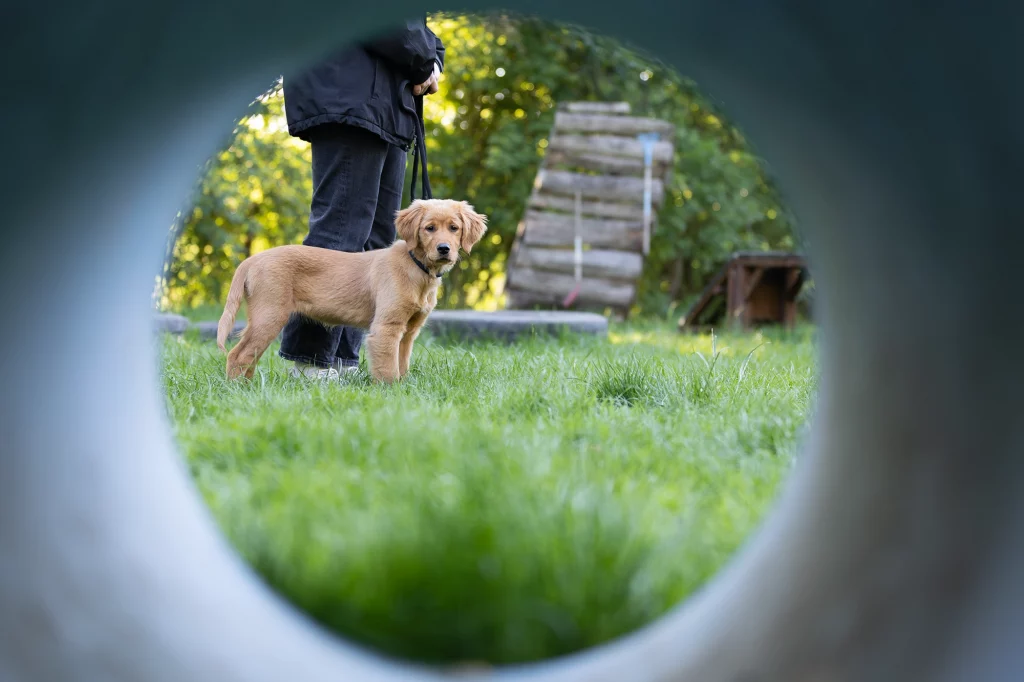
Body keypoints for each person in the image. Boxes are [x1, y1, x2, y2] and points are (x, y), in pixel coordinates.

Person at [279, 17, 444, 380]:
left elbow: (420, 30)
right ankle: (311, 361)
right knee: (340, 232)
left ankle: (343, 360)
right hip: (348, 97)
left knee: (378, 242)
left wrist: (434, 61)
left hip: (387, 107)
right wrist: (423, 60)